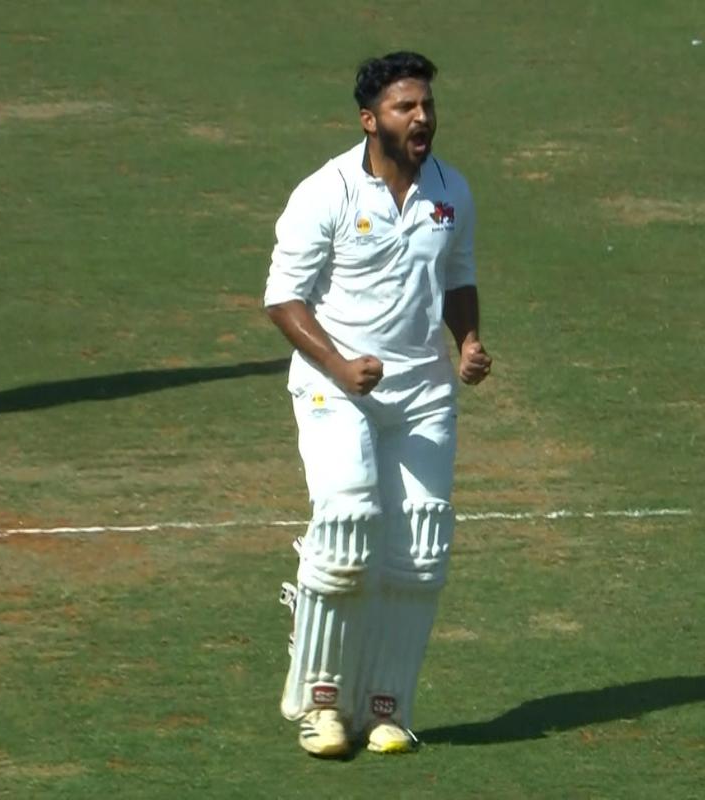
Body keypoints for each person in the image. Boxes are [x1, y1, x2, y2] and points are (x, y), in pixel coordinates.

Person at [263, 51, 491, 757]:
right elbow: (283, 299)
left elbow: (457, 276)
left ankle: (386, 706)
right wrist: (337, 362)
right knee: (347, 521)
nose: (422, 118)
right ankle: (322, 705)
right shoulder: (324, 192)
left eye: (426, 105)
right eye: (405, 107)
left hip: (423, 394)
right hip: (336, 389)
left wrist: (469, 342)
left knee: (422, 545)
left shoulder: (451, 191)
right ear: (370, 120)